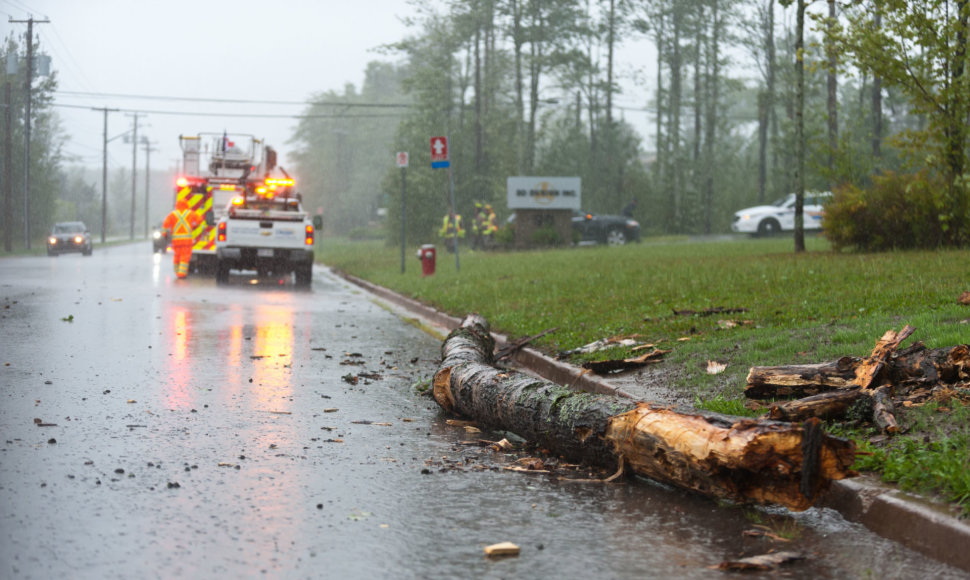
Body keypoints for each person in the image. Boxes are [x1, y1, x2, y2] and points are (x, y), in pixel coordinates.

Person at [163, 197, 202, 279]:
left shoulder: (173, 214)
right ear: (186, 205)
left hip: (176, 241)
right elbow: (199, 219)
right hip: (186, 241)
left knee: (177, 256)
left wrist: (164, 233)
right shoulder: (190, 213)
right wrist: (195, 225)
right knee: (184, 257)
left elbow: (166, 223)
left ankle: (176, 271)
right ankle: (181, 273)